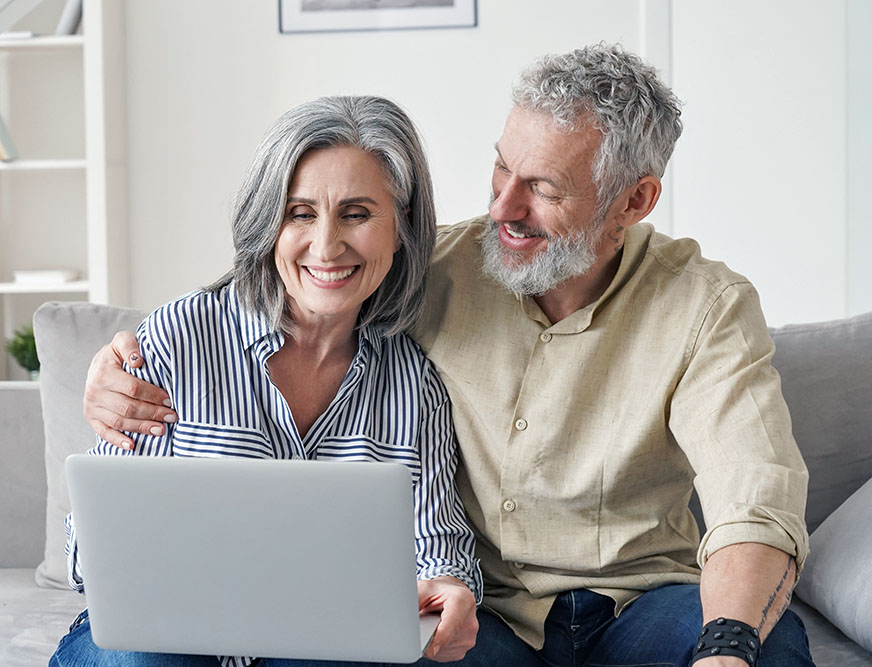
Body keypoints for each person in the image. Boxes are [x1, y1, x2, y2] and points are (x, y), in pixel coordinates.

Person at [84, 44, 814, 666]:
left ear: (634, 200)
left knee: (770, 647)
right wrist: (113, 369)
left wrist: (726, 642)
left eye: (543, 189)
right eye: (501, 170)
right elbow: (293, 269)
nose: (501, 208)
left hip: (640, 607)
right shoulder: (430, 266)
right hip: (489, 620)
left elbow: (753, 499)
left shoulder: (706, 306)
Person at [51, 95, 483, 667]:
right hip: (164, 643)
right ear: (268, 224)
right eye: (300, 214)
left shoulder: (413, 382)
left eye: (356, 214)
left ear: (400, 230)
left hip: (317, 648)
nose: (326, 246)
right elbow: (91, 552)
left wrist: (450, 589)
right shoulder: (179, 338)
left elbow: (434, 547)